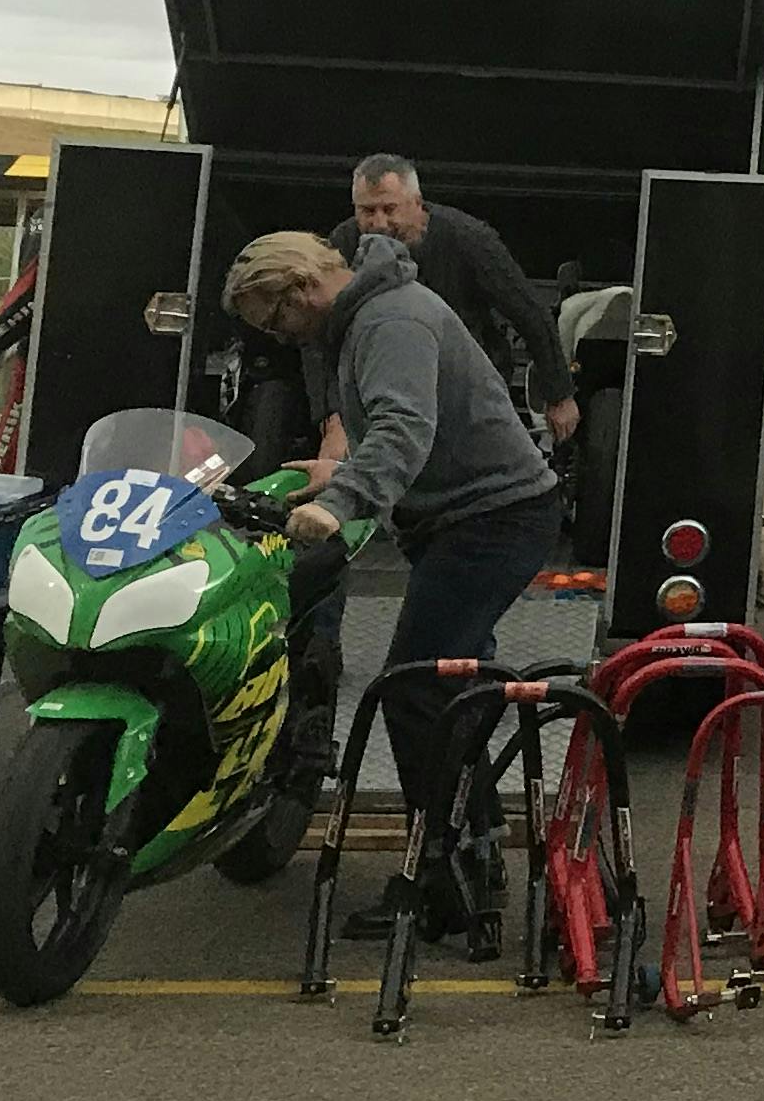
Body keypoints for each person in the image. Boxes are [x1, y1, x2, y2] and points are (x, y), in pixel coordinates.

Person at [221, 228, 563, 926]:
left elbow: (405, 429)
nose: (281, 336)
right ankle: (478, 853)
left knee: (415, 690)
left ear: (306, 288)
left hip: (494, 519)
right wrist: (338, 471)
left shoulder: (391, 319)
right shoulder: (370, 316)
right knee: (449, 685)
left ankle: (441, 886)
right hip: (474, 518)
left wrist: (339, 505)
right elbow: (410, 429)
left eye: (275, 318)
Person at [329, 154, 581, 443]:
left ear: (416, 202)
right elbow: (321, 336)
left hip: (467, 386)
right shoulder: (342, 245)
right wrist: (332, 417)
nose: (379, 223)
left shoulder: (469, 239)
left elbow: (528, 311)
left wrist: (559, 395)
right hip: (380, 385)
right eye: (367, 211)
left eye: (389, 209)